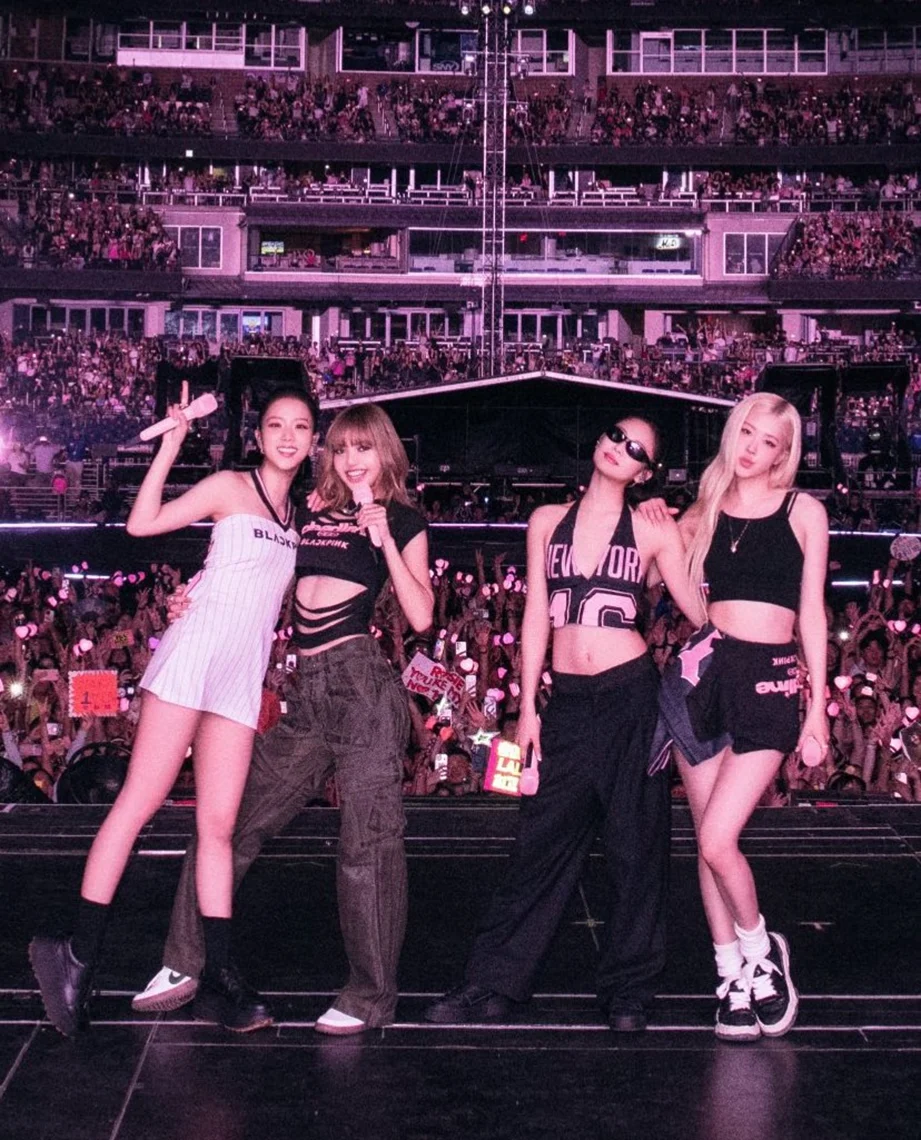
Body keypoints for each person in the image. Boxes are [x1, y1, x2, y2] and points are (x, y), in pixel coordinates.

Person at [133, 403, 434, 1035]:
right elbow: (247, 563)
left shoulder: (404, 519)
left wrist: (384, 537)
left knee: (368, 845)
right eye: (341, 449)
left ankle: (371, 996)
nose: (351, 460)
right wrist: (187, 598)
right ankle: (185, 963)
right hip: (306, 693)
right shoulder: (308, 512)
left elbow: (422, 615)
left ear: (386, 453)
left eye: (364, 448)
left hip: (361, 690)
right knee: (228, 823)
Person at [29, 387, 317, 1036]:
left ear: (311, 440)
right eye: (276, 424)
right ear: (258, 436)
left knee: (218, 828)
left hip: (240, 676)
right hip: (192, 656)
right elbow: (141, 524)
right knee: (137, 804)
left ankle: (216, 978)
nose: (287, 436)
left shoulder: (298, 516)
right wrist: (172, 445)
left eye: (300, 426)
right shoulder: (228, 486)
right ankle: (74, 957)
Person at [425, 415, 705, 1032]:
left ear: (645, 472)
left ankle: (629, 992)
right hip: (569, 702)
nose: (620, 447)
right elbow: (535, 616)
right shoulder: (547, 521)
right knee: (539, 843)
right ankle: (493, 982)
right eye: (616, 435)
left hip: (631, 696)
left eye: (637, 448)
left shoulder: (650, 528)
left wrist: (687, 529)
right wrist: (528, 708)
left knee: (637, 846)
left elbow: (697, 609)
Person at [656, 391, 828, 1042]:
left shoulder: (802, 510)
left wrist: (816, 709)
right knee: (706, 840)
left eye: (769, 442)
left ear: (784, 455)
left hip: (770, 680)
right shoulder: (705, 509)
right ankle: (730, 973)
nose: (753, 448)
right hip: (703, 675)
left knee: (716, 840)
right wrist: (657, 527)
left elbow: (812, 612)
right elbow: (670, 586)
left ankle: (760, 952)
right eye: (747, 433)